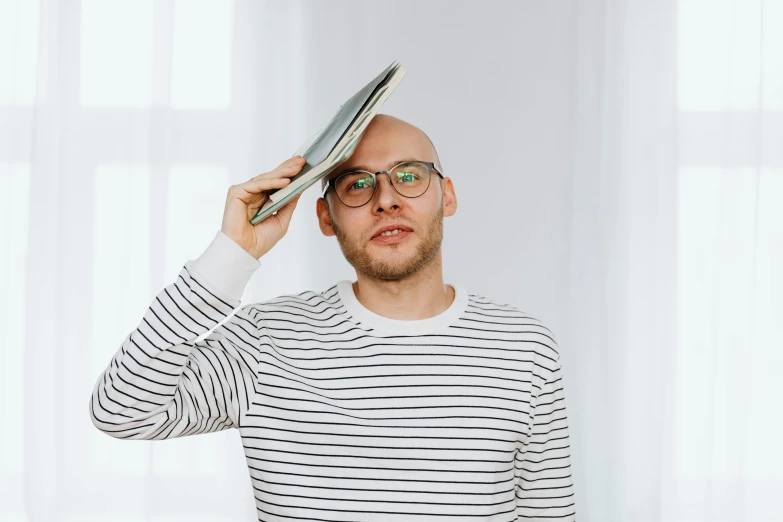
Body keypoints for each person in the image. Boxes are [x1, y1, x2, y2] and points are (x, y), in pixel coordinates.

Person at [89, 114, 576, 521]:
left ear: (446, 195)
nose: (386, 199)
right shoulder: (264, 340)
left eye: (408, 175)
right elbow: (120, 412)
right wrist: (230, 254)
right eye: (356, 184)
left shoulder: (524, 347)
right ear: (325, 217)